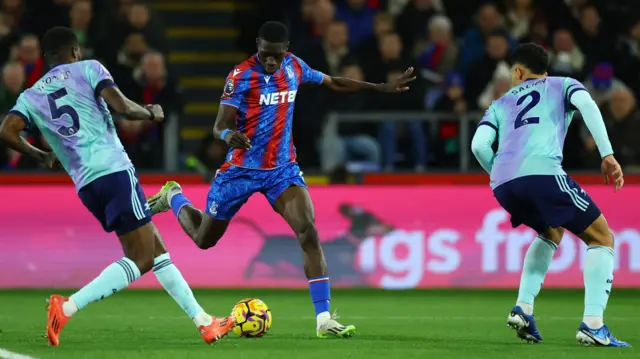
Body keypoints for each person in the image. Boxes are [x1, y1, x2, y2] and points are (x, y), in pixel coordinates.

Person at [148, 21, 415, 338]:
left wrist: (379, 87)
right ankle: (173, 196)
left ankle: (324, 319)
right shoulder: (240, 75)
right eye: (266, 54)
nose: (271, 61)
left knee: (308, 232)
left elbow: (333, 82)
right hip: (240, 170)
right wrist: (228, 134)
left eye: (277, 55)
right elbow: (219, 123)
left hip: (281, 170)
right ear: (258, 45)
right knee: (205, 238)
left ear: (285, 50)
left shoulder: (295, 67)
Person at [0, 27, 234, 347]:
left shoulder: (31, 95)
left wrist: (41, 156)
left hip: (86, 185)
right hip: (113, 170)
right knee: (141, 258)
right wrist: (150, 112)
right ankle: (66, 307)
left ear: (46, 57)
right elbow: (122, 106)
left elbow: (7, 131)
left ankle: (204, 322)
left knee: (156, 250)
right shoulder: (89, 68)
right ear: (75, 52)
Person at [470, 43, 630, 347]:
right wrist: (607, 154)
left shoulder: (500, 103)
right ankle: (593, 324)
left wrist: (498, 172)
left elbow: (479, 146)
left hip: (503, 183)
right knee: (602, 237)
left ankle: (524, 308)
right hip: (543, 173)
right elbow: (589, 106)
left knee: (551, 231)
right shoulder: (564, 84)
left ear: (517, 71)